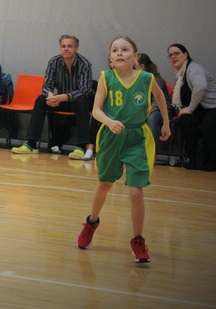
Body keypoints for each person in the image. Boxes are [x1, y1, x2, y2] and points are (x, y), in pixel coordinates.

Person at [77, 36, 170, 263]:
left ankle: (137, 239)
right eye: (115, 50)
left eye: (125, 49)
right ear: (110, 57)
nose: (119, 53)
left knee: (136, 191)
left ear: (134, 56)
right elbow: (96, 110)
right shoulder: (106, 77)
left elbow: (160, 96)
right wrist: (109, 122)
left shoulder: (147, 78)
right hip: (111, 136)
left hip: (137, 137)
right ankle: (91, 222)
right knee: (105, 184)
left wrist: (166, 122)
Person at [12, 34, 94, 158]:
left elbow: (85, 90)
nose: (66, 49)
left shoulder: (85, 64)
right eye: (63, 46)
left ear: (76, 48)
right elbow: (46, 86)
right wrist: (50, 95)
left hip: (77, 102)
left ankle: (81, 146)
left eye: (70, 46)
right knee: (41, 100)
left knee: (83, 101)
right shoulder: (54, 62)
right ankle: (31, 143)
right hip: (60, 101)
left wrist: (63, 97)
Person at [167, 43, 216, 171]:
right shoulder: (180, 74)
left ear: (185, 55)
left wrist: (190, 109)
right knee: (185, 120)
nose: (173, 57)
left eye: (176, 53)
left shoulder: (194, 69)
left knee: (208, 126)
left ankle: (212, 161)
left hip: (212, 106)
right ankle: (192, 160)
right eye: (170, 55)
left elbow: (200, 87)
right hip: (201, 108)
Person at [135, 53, 172, 148]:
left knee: (152, 118)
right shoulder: (137, 79)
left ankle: (152, 146)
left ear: (141, 67)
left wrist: (145, 112)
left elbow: (157, 101)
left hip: (160, 109)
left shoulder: (155, 79)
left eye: (134, 66)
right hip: (146, 109)